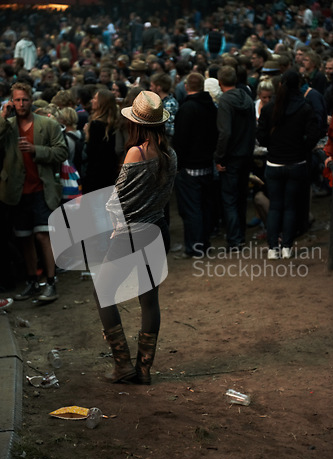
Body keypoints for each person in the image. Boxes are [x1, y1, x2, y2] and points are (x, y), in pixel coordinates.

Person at [93, 90, 177, 385]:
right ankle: (143, 370)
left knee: (103, 293)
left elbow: (118, 197)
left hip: (130, 233)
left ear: (136, 123)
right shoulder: (171, 155)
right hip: (157, 230)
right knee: (149, 300)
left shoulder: (135, 153)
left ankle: (123, 365)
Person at [0, 82, 68, 301]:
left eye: (24, 99)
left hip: (41, 188)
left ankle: (50, 281)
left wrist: (35, 150)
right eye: (17, 100)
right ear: (12, 101)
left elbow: (61, 151)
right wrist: (2, 117)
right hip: (17, 191)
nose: (21, 104)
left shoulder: (47, 125)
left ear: (31, 100)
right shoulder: (7, 126)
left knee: (42, 236)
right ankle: (31, 282)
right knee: (25, 238)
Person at [257, 70, 319, 259]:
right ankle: (287, 246)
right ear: (298, 84)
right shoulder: (305, 107)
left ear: (281, 85)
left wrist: (273, 145)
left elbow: (261, 136)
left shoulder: (270, 108)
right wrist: (302, 148)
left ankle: (273, 248)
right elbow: (314, 134)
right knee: (291, 206)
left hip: (274, 163)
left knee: (276, 206)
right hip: (296, 163)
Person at [173, 72, 218, 257]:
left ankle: (194, 247)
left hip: (190, 168)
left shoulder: (187, 109)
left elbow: (181, 140)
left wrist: (178, 164)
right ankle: (203, 244)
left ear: (186, 87)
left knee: (192, 210)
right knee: (204, 207)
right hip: (207, 165)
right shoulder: (211, 107)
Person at [215, 66, 256, 251]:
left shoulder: (225, 101)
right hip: (246, 155)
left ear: (219, 82)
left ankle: (235, 239)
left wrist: (220, 157)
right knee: (241, 197)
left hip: (231, 157)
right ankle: (241, 236)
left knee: (230, 199)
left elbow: (225, 132)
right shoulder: (246, 98)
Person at [82, 89, 120, 194]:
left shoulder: (95, 125)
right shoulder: (115, 123)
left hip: (95, 175)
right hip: (110, 174)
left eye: (95, 98)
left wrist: (87, 135)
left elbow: (91, 151)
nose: (92, 101)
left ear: (102, 103)